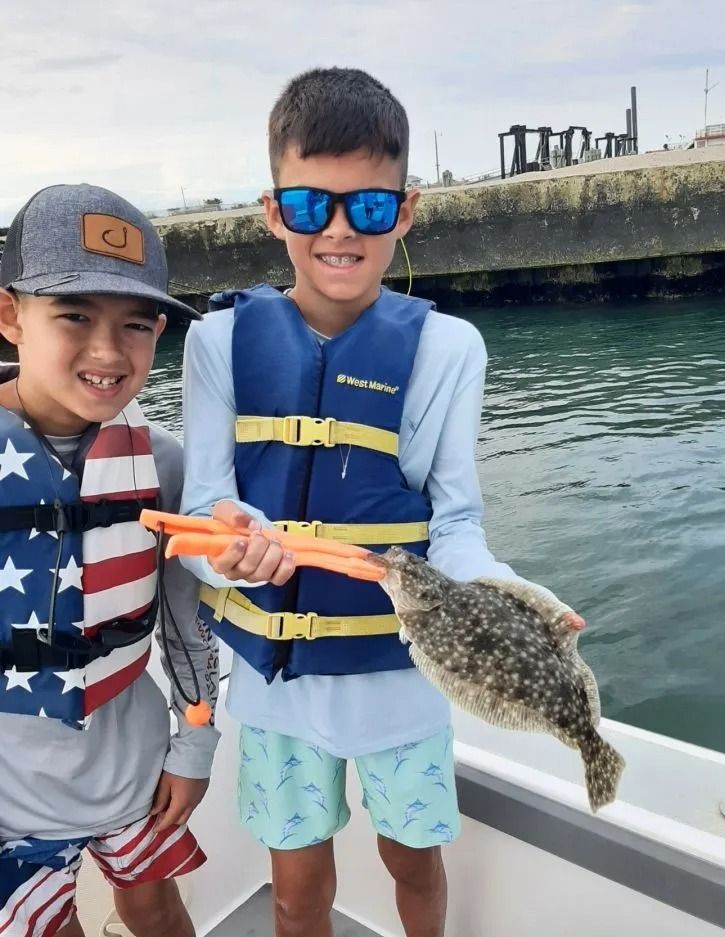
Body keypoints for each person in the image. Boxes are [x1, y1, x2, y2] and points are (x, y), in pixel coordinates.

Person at [181, 67, 584, 937]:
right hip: (273, 684)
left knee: (413, 860)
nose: (337, 231)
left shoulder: (450, 349)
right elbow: (208, 502)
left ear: (402, 212)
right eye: (308, 206)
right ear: (271, 209)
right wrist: (229, 546)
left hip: (403, 676)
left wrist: (511, 592)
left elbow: (457, 523)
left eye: (366, 208)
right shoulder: (216, 342)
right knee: (294, 891)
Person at [0, 184, 219, 937]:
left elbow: (190, 630)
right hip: (8, 799)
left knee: (157, 907)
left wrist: (195, 747)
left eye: (136, 323)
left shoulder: (165, 464)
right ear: (9, 316)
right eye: (73, 315)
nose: (107, 350)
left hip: (134, 772)